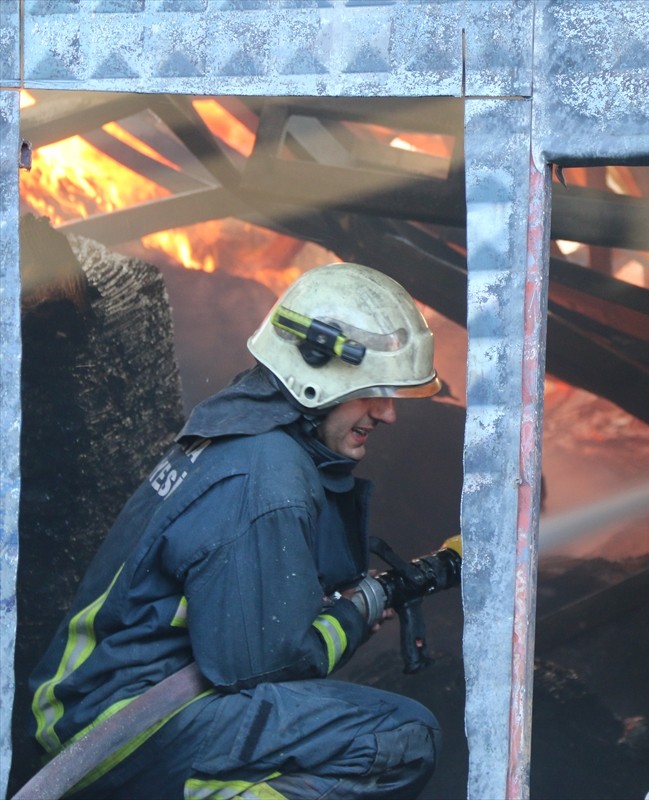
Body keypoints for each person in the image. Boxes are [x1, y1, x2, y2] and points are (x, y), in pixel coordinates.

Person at [27, 262, 444, 799]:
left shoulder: (242, 428)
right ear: (316, 372)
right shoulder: (266, 476)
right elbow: (264, 667)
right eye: (373, 392)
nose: (387, 414)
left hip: (104, 710)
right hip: (118, 728)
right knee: (401, 737)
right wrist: (356, 609)